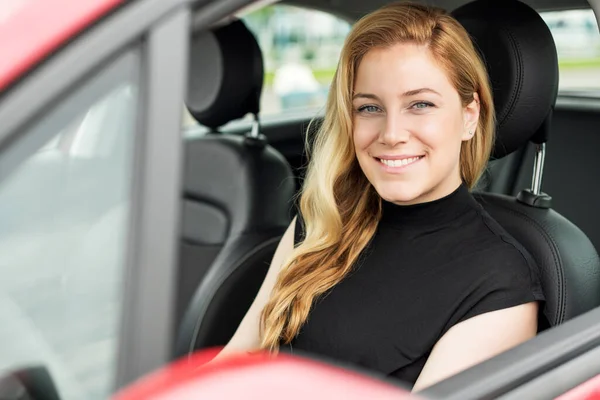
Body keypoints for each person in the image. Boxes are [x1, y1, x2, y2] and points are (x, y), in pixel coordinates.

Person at [212, 1, 545, 391]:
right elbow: (239, 358)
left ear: (469, 115)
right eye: (369, 107)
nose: (391, 133)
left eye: (420, 104)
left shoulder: (500, 285)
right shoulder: (325, 219)